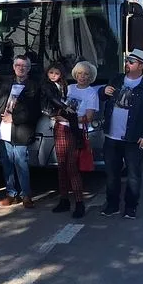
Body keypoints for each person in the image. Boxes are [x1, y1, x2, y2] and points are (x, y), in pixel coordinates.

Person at [98, 49, 143, 219]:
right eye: (127, 61)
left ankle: (130, 207)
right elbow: (102, 96)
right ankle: (112, 205)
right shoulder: (117, 79)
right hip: (112, 137)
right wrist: (103, 91)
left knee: (133, 175)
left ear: (141, 66)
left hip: (133, 139)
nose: (127, 64)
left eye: (131, 62)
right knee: (112, 174)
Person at [46, 61, 100, 218]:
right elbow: (57, 109)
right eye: (80, 73)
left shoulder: (91, 93)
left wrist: (71, 118)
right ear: (75, 74)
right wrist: (59, 116)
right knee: (61, 166)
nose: (82, 77)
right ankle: (64, 200)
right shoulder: (68, 88)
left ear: (90, 77)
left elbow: (88, 117)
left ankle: (79, 203)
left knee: (72, 168)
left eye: (86, 74)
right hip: (60, 129)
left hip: (74, 131)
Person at [0, 54, 42, 208]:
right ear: (14, 67)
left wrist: (13, 119)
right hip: (3, 130)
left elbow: (34, 112)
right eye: (18, 65)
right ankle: (11, 194)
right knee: (7, 163)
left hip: (21, 131)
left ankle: (26, 195)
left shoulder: (34, 86)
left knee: (21, 163)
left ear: (29, 69)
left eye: (24, 66)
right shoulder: (6, 83)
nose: (21, 68)